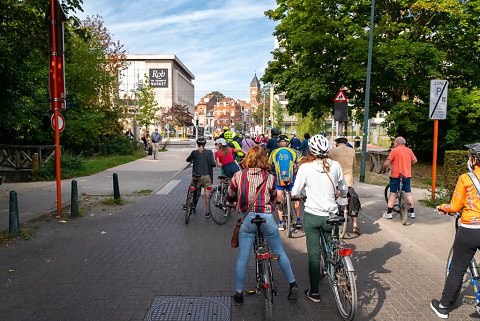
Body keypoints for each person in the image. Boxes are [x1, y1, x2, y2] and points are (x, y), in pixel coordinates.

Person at [226, 145, 299, 305]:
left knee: (243, 258)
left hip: (247, 220)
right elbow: (273, 196)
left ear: (248, 158)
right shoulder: (270, 177)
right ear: (264, 159)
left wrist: (232, 202)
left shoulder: (238, 176)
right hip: (266, 218)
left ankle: (238, 294)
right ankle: (293, 283)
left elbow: (230, 195)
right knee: (279, 251)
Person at [291, 134, 348, 303]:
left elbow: (295, 191)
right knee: (334, 245)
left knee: (314, 256)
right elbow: (343, 188)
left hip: (312, 216)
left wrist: (299, 196)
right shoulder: (336, 165)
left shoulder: (305, 168)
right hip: (331, 215)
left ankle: (314, 292)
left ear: (310, 150)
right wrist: (339, 195)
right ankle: (340, 271)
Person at [431, 143, 480, 319]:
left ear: (475, 159)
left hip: (470, 229)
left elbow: (455, 206)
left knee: (458, 269)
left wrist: (442, 207)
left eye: (470, 156)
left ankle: (443, 306)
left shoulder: (466, 178)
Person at [268, 134, 301, 229]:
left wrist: (271, 172)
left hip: (279, 180)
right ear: (287, 143)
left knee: (279, 200)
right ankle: (298, 220)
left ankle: (281, 222)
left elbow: (269, 166)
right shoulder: (293, 151)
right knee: (295, 198)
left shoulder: (274, 152)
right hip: (291, 179)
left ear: (278, 144)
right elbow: (298, 166)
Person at [329, 137, 360, 235]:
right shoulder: (352, 151)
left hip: (335, 180)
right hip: (348, 181)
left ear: (337, 143)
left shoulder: (332, 151)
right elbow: (354, 165)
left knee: (331, 198)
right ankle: (355, 225)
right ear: (346, 143)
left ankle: (332, 217)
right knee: (352, 199)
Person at [382, 136, 417, 219]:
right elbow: (414, 160)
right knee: (408, 193)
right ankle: (412, 213)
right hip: (406, 175)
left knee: (393, 194)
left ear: (397, 143)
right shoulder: (409, 150)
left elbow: (387, 163)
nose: (394, 143)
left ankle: (389, 213)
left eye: (394, 142)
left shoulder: (394, 150)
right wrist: (407, 165)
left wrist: (384, 169)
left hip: (396, 175)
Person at [183, 137, 216, 217]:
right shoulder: (209, 152)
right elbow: (213, 164)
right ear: (205, 144)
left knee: (190, 189)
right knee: (206, 194)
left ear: (197, 144)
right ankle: (207, 212)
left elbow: (188, 160)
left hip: (196, 176)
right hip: (206, 176)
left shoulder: (194, 152)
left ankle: (186, 204)